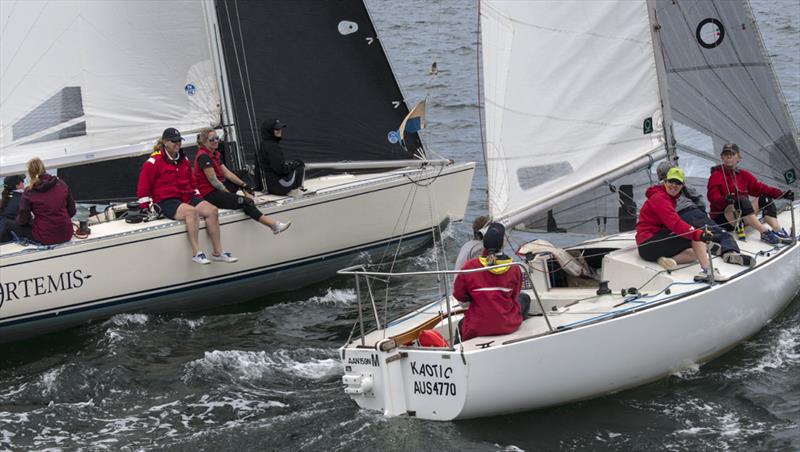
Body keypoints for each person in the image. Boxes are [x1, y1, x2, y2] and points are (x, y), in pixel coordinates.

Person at [137, 128, 237, 265]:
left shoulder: (183, 159)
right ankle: (197, 253)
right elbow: (143, 187)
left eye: (179, 141)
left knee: (212, 210)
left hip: (186, 196)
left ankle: (218, 252)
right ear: (165, 142)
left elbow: (192, 181)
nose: (178, 144)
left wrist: (197, 196)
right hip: (166, 200)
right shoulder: (153, 162)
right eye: (174, 141)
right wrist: (144, 208)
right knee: (192, 212)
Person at [636, 167, 729, 282]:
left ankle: (665, 259)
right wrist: (699, 234)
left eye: (678, 183)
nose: (674, 185)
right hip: (649, 243)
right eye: (671, 181)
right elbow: (674, 223)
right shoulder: (660, 198)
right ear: (665, 182)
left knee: (695, 253)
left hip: (649, 247)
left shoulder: (667, 197)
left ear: (682, 186)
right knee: (696, 236)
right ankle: (707, 271)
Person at [655, 161, 754, 267]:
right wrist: (702, 213)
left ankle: (709, 244)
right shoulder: (680, 185)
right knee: (724, 235)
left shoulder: (655, 191)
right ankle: (730, 253)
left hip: (675, 221)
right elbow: (699, 201)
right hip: (692, 213)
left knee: (693, 237)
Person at [193, 128, 291, 234]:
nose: (216, 141)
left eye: (217, 138)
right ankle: (274, 226)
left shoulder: (214, 154)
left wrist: (244, 185)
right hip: (211, 194)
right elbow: (214, 181)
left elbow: (227, 174)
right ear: (204, 142)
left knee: (242, 173)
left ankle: (250, 194)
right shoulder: (204, 156)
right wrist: (228, 193)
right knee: (246, 202)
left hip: (218, 189)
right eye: (212, 139)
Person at [453, 222, 529, 342]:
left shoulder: (470, 266)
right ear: (503, 243)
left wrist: (476, 297)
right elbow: (515, 296)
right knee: (525, 298)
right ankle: (521, 337)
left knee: (461, 325)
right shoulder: (514, 268)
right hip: (507, 325)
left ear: (484, 243)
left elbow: (459, 294)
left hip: (477, 327)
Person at [707, 143, 794, 245]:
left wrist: (782, 194)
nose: (729, 156)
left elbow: (761, 188)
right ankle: (764, 232)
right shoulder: (716, 176)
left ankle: (777, 229)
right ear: (722, 158)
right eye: (726, 154)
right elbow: (713, 198)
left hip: (742, 216)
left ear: (739, 157)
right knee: (742, 200)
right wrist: (725, 199)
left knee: (764, 198)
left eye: (732, 154)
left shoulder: (744, 175)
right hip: (724, 220)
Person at [13, 158, 76, 245]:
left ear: (30, 173)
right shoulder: (62, 184)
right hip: (66, 233)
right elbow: (72, 211)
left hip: (44, 237)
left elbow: (23, 219)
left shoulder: (29, 192)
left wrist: (17, 220)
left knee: (10, 225)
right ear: (44, 168)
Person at [258, 118, 305, 196]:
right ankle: (299, 190)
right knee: (300, 164)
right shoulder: (273, 147)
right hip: (279, 187)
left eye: (280, 128)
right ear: (270, 131)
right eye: (276, 129)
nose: (280, 130)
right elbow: (281, 170)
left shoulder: (262, 145)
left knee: (293, 164)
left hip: (267, 187)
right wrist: (294, 164)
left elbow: (259, 169)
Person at [0, 174, 29, 242]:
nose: (24, 182)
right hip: (6, 235)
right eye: (22, 181)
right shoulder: (22, 198)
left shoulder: (5, 198)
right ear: (17, 186)